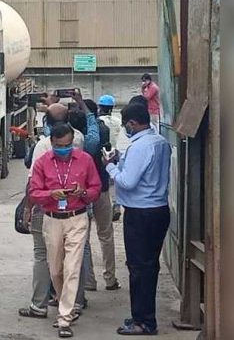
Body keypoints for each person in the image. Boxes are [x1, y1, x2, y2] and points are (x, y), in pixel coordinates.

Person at [104, 103, 171, 336]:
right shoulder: (159, 141)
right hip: (158, 209)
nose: (126, 129)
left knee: (139, 268)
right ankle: (143, 315)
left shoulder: (140, 147)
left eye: (126, 125)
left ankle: (143, 321)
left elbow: (128, 181)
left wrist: (110, 167)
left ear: (132, 123)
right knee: (148, 266)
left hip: (141, 213)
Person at [29, 123, 101, 339]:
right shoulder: (42, 162)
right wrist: (51, 194)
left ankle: (64, 318)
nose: (65, 149)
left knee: (72, 268)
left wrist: (84, 193)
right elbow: (34, 192)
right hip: (52, 220)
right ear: (52, 143)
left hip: (77, 217)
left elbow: (96, 188)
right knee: (56, 270)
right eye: (61, 146)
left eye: (69, 145)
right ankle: (64, 305)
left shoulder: (85, 160)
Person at [19, 103, 86, 321]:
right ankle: (75, 302)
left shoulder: (43, 145)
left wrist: (28, 208)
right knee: (75, 256)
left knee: (42, 256)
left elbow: (32, 183)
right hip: (76, 208)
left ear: (45, 122)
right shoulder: (78, 139)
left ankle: (39, 305)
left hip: (47, 208)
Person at [83, 99, 121, 292]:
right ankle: (110, 278)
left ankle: (89, 281)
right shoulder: (103, 129)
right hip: (102, 189)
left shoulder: (76, 132)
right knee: (106, 235)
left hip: (82, 193)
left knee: (83, 239)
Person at [97, 94, 126, 221]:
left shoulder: (98, 122)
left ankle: (102, 208)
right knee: (114, 181)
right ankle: (116, 205)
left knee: (102, 181)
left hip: (102, 154)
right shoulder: (118, 121)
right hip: (115, 153)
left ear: (100, 107)